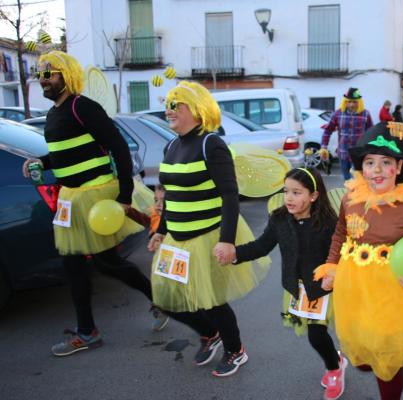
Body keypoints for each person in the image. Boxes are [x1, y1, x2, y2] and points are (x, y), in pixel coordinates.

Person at [21, 51, 168, 357]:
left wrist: (125, 196)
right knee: (75, 264)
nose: (44, 80)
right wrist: (41, 162)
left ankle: (153, 300)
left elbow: (117, 146)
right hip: (71, 199)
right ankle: (88, 330)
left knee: (105, 263)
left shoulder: (81, 106)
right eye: (41, 75)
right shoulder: (53, 113)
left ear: (67, 75)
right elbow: (65, 154)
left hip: (97, 195)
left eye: (51, 74)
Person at [314, 122, 403, 399]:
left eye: (385, 162)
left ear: (399, 168)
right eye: (369, 162)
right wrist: (332, 266)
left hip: (393, 293)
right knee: (363, 358)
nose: (376, 170)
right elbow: (340, 234)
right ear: (361, 168)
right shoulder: (350, 199)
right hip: (354, 290)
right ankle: (361, 362)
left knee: (388, 361)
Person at [147, 81, 269, 377]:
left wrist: (227, 241)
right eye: (168, 104)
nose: (169, 110)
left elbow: (230, 195)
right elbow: (170, 195)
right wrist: (161, 230)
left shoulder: (210, 143)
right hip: (176, 237)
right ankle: (209, 334)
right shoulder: (171, 144)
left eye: (177, 105)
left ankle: (235, 350)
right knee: (167, 296)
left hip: (207, 236)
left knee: (211, 299)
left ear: (197, 109)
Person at [217, 167, 346, 400]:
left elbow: (342, 251)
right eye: (286, 191)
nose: (289, 198)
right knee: (314, 334)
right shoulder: (279, 218)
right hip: (297, 288)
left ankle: (335, 369)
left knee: (317, 335)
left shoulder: (329, 223)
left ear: (314, 196)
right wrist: (234, 254)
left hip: (326, 287)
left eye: (297, 193)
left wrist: (335, 272)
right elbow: (261, 246)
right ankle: (336, 361)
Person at [321, 87, 373, 181]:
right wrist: (324, 146)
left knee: (358, 180)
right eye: (349, 102)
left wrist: (371, 149)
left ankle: (357, 195)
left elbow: (371, 133)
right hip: (343, 152)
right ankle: (349, 194)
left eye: (354, 102)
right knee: (347, 179)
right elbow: (328, 130)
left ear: (359, 102)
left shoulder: (365, 114)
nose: (351, 104)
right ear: (345, 102)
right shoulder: (338, 114)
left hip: (358, 153)